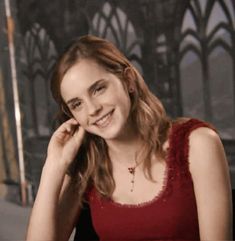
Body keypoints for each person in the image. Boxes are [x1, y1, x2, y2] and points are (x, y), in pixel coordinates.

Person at [26, 35, 233, 241]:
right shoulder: (87, 166)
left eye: (98, 89)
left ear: (128, 80)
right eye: (77, 104)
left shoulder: (198, 144)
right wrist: (53, 165)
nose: (93, 109)